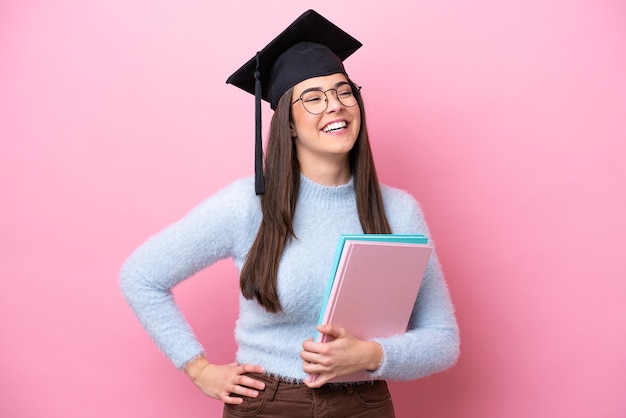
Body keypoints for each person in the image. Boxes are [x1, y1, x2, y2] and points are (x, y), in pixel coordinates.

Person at [119, 9, 460, 418]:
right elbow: (141, 275)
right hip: (267, 405)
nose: (334, 106)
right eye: (313, 98)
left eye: (343, 92)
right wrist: (199, 369)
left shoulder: (398, 210)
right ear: (290, 123)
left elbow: (443, 340)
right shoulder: (248, 204)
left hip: (363, 405)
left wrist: (371, 354)